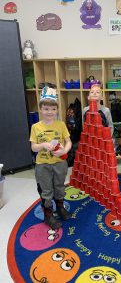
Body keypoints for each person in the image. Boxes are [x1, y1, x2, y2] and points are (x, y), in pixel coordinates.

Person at [30, 87, 72, 229]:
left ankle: (60, 208)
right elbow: (33, 147)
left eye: (53, 109)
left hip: (60, 163)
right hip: (43, 165)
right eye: (46, 109)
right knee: (46, 190)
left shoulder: (60, 124)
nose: (50, 112)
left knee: (59, 187)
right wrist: (42, 145)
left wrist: (64, 151)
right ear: (40, 109)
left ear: (57, 110)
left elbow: (69, 141)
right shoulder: (35, 127)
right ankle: (48, 215)